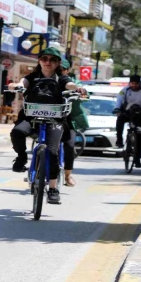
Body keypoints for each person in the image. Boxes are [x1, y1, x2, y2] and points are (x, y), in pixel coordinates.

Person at [8, 47, 86, 204]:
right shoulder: (32, 77)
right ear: (39, 61)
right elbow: (21, 83)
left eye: (53, 60)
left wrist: (77, 88)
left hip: (55, 120)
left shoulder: (61, 79)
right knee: (17, 132)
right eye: (44, 59)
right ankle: (21, 157)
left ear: (58, 63)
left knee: (52, 151)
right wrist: (15, 85)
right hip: (32, 117)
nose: (48, 62)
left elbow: (70, 84)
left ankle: (52, 188)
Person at [113, 74, 141, 168]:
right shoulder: (125, 90)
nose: (134, 85)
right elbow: (119, 100)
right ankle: (119, 140)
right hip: (127, 111)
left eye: (136, 84)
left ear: (140, 83)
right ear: (129, 83)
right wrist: (117, 109)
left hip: (140, 113)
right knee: (119, 120)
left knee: (139, 136)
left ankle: (138, 158)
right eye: (132, 83)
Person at [59, 59, 88, 187]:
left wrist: (81, 92)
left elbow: (84, 94)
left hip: (68, 119)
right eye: (57, 68)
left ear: (67, 70)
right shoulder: (49, 79)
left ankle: (67, 175)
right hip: (48, 117)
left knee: (69, 146)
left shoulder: (74, 83)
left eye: (63, 69)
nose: (60, 71)